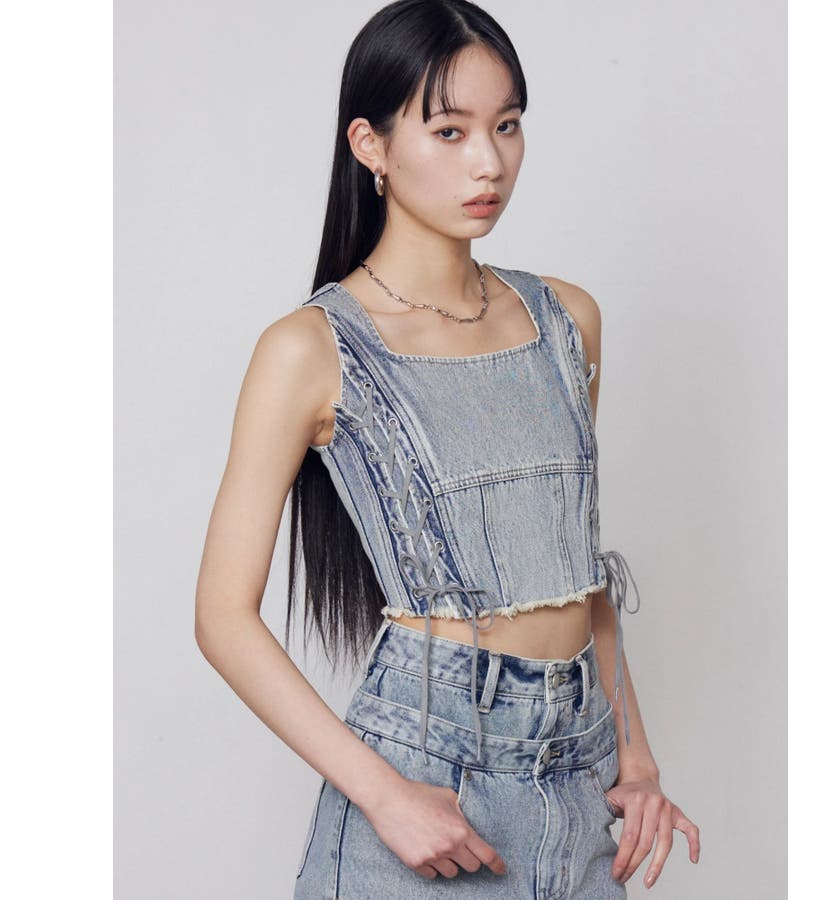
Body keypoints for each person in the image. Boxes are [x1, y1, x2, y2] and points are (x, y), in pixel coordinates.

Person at [195, 1, 700, 896]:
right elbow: (222, 617)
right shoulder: (310, 350)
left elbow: (575, 565)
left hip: (577, 775)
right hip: (426, 775)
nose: (489, 163)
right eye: (450, 130)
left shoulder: (566, 320)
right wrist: (384, 796)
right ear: (372, 146)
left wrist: (637, 758)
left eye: (507, 125)